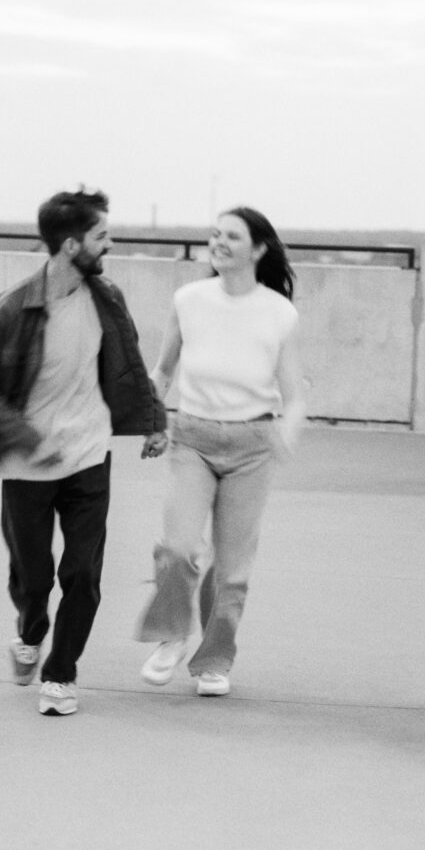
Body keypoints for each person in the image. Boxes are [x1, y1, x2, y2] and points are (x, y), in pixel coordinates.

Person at [0, 188, 167, 716]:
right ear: (71, 245)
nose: (109, 243)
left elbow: (130, 363)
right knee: (33, 574)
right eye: (101, 236)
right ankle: (29, 631)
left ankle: (61, 674)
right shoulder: (14, 308)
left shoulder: (107, 298)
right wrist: (27, 439)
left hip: (89, 456)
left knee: (83, 574)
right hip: (27, 465)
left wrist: (154, 421)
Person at [135, 206, 305, 697]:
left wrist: (288, 429)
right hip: (193, 438)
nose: (219, 242)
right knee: (179, 548)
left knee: (231, 571)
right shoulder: (189, 300)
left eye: (232, 236)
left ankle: (214, 660)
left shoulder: (279, 312)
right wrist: (150, 416)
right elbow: (162, 371)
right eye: (214, 234)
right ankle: (171, 636)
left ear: (258, 249)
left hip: (253, 447)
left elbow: (293, 395)